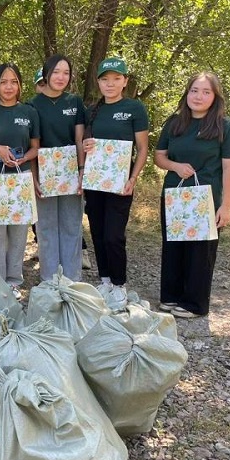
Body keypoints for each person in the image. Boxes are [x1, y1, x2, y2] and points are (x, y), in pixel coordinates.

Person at [154, 72, 230, 318]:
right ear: (187, 93)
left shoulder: (226, 127)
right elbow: (159, 157)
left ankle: (195, 304)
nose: (199, 96)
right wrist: (175, 166)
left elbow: (229, 169)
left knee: (200, 252)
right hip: (175, 195)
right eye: (194, 90)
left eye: (206, 92)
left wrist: (226, 206)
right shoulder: (174, 123)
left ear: (215, 97)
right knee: (173, 247)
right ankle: (170, 297)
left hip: (206, 198)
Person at [83, 57, 149, 303]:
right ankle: (105, 281)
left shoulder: (134, 109)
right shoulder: (91, 111)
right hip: (95, 182)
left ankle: (119, 284)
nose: (110, 84)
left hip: (121, 183)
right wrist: (85, 145)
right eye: (105, 79)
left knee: (114, 235)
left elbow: (142, 148)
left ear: (125, 81)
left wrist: (133, 177)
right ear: (98, 82)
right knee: (98, 232)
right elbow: (85, 145)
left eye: (116, 79)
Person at [0, 62, 40, 299]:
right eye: (3, 82)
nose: (8, 86)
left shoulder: (29, 112)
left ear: (20, 86)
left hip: (20, 178)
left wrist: (23, 158)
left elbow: (36, 148)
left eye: (14, 81)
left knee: (18, 232)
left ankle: (13, 281)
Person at [29, 54, 86, 281]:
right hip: (44, 174)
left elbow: (79, 138)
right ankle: (50, 280)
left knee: (72, 225)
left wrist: (82, 171)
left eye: (66, 73)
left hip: (72, 172)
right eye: (56, 72)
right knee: (46, 228)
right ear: (46, 74)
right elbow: (32, 144)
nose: (61, 77)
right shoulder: (32, 105)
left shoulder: (75, 102)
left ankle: (72, 281)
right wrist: (33, 177)